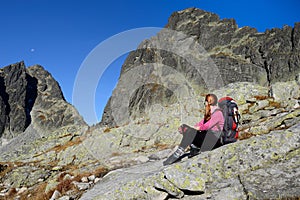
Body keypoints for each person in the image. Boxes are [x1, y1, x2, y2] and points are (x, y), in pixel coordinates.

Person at [163, 94, 224, 166]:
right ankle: (192, 148)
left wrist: (191, 129)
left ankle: (179, 153)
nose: (204, 104)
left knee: (190, 131)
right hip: (209, 138)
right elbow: (200, 124)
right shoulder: (210, 113)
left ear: (208, 102)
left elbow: (206, 126)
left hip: (215, 141)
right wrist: (187, 128)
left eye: (205, 102)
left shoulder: (217, 113)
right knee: (186, 129)